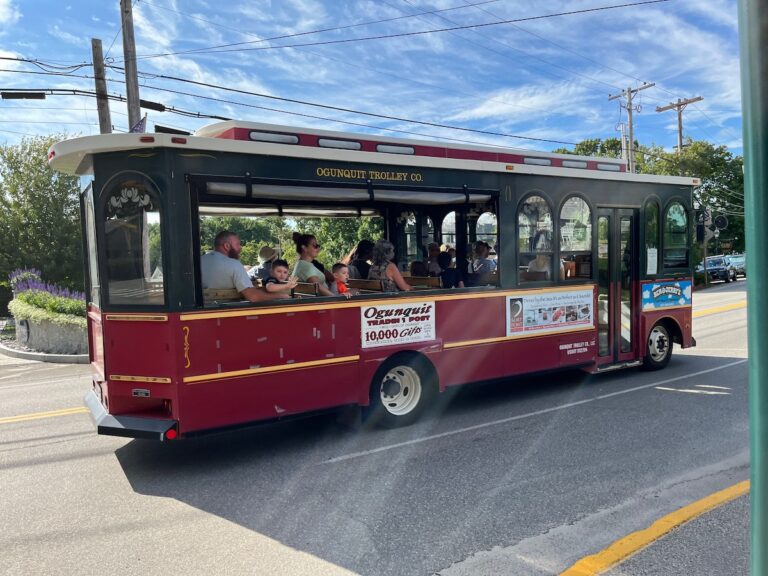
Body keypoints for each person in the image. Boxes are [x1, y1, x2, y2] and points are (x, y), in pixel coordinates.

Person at [201, 230, 283, 301]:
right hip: (228, 311)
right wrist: (281, 296)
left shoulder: (200, 261)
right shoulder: (233, 264)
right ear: (227, 246)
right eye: (237, 244)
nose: (240, 248)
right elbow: (253, 297)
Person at [291, 232, 335, 296]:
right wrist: (336, 298)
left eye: (318, 246)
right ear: (304, 248)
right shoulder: (306, 267)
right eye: (315, 245)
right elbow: (318, 287)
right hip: (322, 301)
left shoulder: (302, 264)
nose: (318, 248)